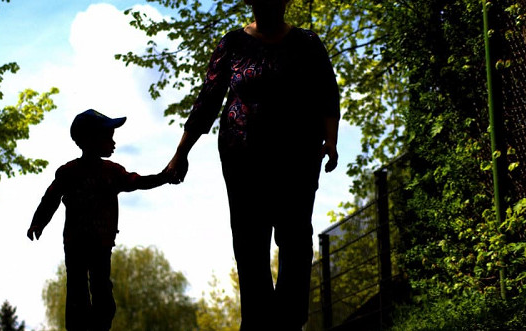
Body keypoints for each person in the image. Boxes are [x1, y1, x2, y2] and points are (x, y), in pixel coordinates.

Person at [164, 0, 340, 329]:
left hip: (298, 157)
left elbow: (327, 93)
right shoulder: (232, 44)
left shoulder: (308, 44)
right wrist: (181, 151)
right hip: (242, 158)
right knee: (249, 241)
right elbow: (208, 99)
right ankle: (258, 323)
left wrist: (330, 140)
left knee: (296, 238)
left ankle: (289, 322)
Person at [27, 109, 173, 331]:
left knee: (101, 291)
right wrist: (38, 222)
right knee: (78, 291)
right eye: (108, 137)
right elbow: (51, 199)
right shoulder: (70, 172)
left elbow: (137, 182)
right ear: (89, 140)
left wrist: (163, 177)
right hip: (77, 243)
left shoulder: (111, 172)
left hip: (100, 244)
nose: (113, 143)